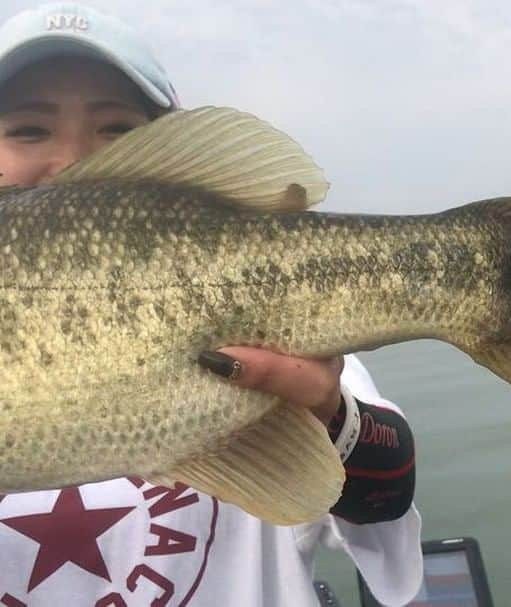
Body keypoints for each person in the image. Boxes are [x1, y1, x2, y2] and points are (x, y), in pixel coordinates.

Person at [0, 3, 422, 606]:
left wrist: (329, 414)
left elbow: (385, 495)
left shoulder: (276, 320)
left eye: (117, 129)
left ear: (174, 147)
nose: (72, 160)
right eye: (28, 130)